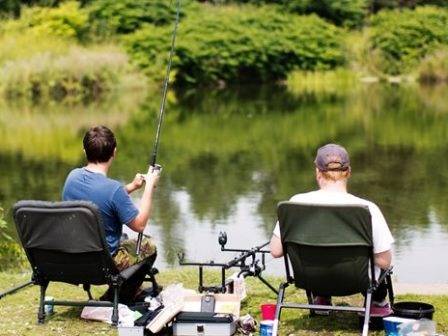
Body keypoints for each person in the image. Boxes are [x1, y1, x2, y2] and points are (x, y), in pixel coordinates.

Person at [270, 143, 394, 314]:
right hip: (356, 281)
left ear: (317, 172)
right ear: (349, 172)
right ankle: (376, 304)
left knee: (318, 253)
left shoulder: (296, 203)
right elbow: (385, 261)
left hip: (310, 279)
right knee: (382, 263)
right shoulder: (367, 208)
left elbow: (275, 250)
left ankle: (321, 298)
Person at [62, 125, 160, 303]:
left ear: (85, 151)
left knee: (123, 238)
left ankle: (124, 292)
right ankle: (121, 295)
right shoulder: (112, 189)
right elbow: (139, 225)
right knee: (149, 246)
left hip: (74, 258)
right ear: (114, 152)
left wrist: (131, 187)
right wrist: (149, 187)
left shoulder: (72, 177)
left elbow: (100, 199)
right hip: (103, 265)